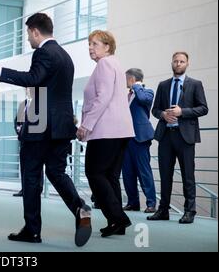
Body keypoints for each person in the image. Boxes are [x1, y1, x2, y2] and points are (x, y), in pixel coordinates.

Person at [0, 13, 92, 247]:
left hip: (40, 124)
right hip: (62, 126)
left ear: (34, 31)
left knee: (31, 177)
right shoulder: (65, 56)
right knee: (57, 172)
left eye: (28, 34)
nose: (28, 39)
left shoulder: (43, 52)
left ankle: (32, 230)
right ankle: (79, 207)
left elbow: (33, 78)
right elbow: (49, 88)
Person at [76, 30, 134, 238]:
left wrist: (86, 126)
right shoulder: (115, 63)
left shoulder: (104, 64)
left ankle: (119, 218)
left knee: (94, 172)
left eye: (95, 44)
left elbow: (103, 97)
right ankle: (115, 222)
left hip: (106, 130)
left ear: (107, 46)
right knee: (110, 176)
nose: (90, 48)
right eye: (89, 44)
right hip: (121, 130)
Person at [147, 52, 208, 224]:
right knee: (165, 176)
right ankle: (163, 210)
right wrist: (163, 115)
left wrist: (183, 112)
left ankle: (190, 211)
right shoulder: (163, 85)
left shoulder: (195, 84)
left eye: (182, 61)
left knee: (188, 176)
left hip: (186, 138)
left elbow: (203, 108)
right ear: (172, 63)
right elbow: (155, 109)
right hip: (166, 136)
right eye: (176, 61)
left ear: (187, 64)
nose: (178, 63)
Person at [122, 68, 157, 213]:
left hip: (140, 138)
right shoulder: (127, 95)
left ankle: (151, 203)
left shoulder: (147, 92)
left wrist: (136, 85)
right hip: (125, 138)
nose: (124, 81)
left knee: (144, 171)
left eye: (126, 78)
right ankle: (133, 202)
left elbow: (143, 100)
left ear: (131, 78)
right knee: (127, 173)